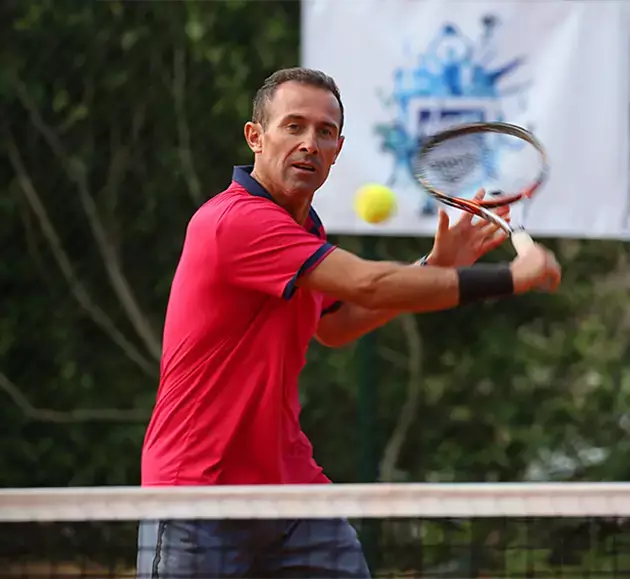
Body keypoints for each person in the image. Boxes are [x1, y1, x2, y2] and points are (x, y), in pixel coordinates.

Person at [136, 67, 561, 578]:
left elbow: (336, 324)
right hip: (200, 494)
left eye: (324, 132)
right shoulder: (235, 221)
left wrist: (437, 267)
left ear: (338, 149)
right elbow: (367, 283)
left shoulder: (305, 229)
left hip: (290, 495)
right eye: (293, 126)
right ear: (256, 137)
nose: (309, 143)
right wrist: (510, 279)